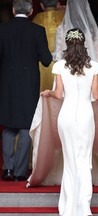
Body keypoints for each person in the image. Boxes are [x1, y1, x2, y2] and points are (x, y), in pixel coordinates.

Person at [40, 28, 98, 216]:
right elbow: (97, 95)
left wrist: (48, 93)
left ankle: (67, 207)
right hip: (84, 116)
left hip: (65, 116)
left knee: (70, 160)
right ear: (84, 44)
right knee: (84, 161)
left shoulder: (59, 65)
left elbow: (58, 94)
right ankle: (83, 207)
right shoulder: (94, 66)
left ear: (67, 43)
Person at [0, 0, 52, 181]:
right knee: (25, 126)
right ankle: (20, 172)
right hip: (29, 83)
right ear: (30, 12)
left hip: (7, 83)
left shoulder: (2, 29)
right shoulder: (37, 31)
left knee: (8, 125)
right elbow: (46, 59)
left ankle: (7, 169)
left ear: (13, 10)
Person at [53, 0, 98, 95]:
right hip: (89, 73)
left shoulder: (61, 29)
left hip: (68, 74)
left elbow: (58, 56)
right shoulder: (92, 31)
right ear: (86, 7)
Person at [32, 0, 65, 91]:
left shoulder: (36, 20)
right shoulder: (64, 18)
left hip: (41, 64)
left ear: (42, 5)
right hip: (62, 63)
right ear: (58, 5)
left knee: (43, 96)